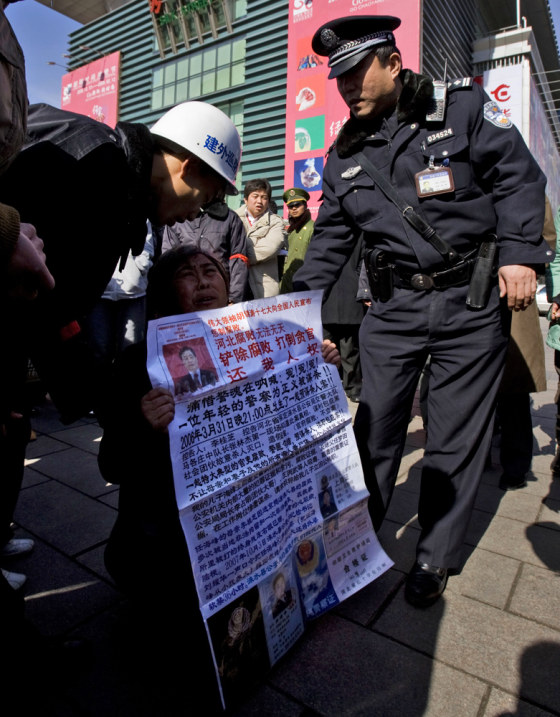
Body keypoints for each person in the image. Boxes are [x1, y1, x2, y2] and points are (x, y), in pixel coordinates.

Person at [293, 15, 552, 608]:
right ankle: (356, 541)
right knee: (375, 426)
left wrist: (519, 255)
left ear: (392, 61)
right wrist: (290, 310)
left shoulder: (458, 110)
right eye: (339, 78)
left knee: (454, 437)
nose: (348, 85)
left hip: (470, 301)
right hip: (393, 306)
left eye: (359, 70)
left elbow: (518, 177)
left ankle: (433, 555)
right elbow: (331, 240)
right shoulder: (343, 155)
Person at [0, 99, 241, 424]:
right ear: (189, 168)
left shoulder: (118, 189)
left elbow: (51, 303)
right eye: (206, 198)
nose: (194, 215)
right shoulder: (95, 167)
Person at [160, 201, 250, 303]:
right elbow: (168, 264)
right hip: (187, 295)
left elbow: (238, 260)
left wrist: (234, 299)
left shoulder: (229, 218)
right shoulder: (176, 219)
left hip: (221, 293)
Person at [236, 178, 285, 299]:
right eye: (255, 196)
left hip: (263, 289)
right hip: (236, 286)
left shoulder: (276, 222)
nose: (259, 201)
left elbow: (270, 248)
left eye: (264, 197)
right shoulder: (233, 218)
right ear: (246, 199)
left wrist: (239, 257)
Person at [279, 187, 314, 294]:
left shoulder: (313, 228)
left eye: (297, 205)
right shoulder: (291, 231)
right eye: (290, 206)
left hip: (305, 284)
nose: (294, 208)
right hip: (287, 284)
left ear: (305, 205)